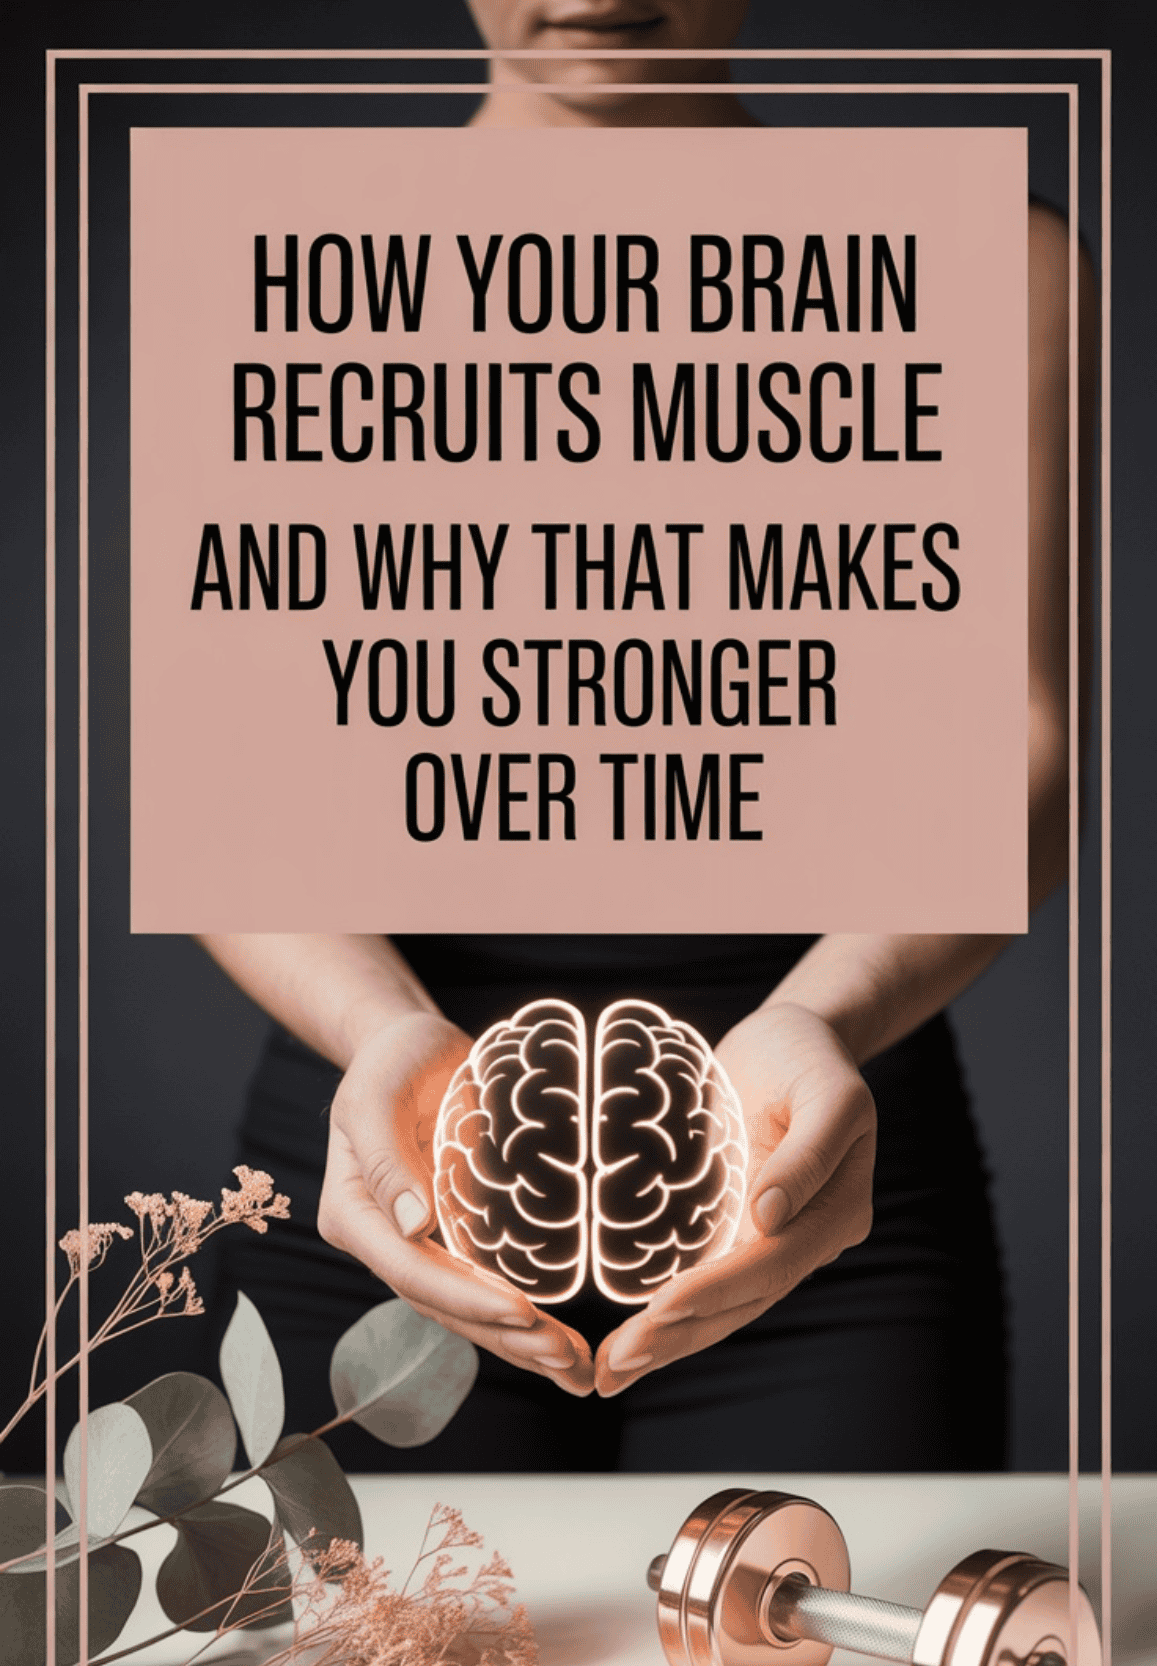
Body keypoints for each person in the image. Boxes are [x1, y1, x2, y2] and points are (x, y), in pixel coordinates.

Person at [199, 2, 1092, 1473]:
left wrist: (820, 1019)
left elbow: (1018, 729)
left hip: (814, 1161)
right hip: (382, 1157)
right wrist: (384, 1035)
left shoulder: (994, 271)